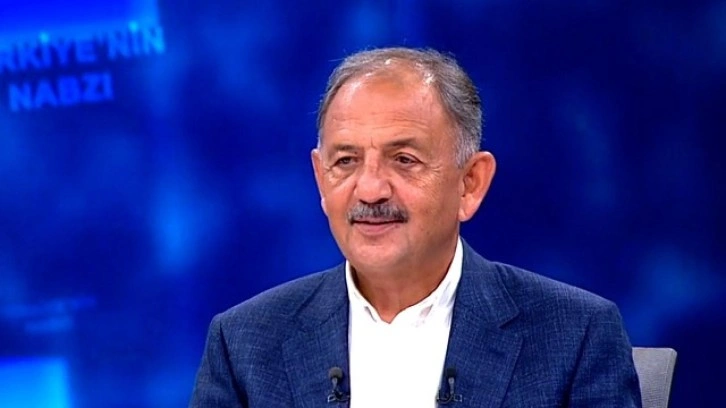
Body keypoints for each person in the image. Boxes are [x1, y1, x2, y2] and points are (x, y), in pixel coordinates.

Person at [189, 47, 642, 408]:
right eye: (345, 161)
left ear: (470, 183)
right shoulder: (245, 343)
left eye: (404, 160)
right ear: (320, 180)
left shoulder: (574, 336)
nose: (370, 190)